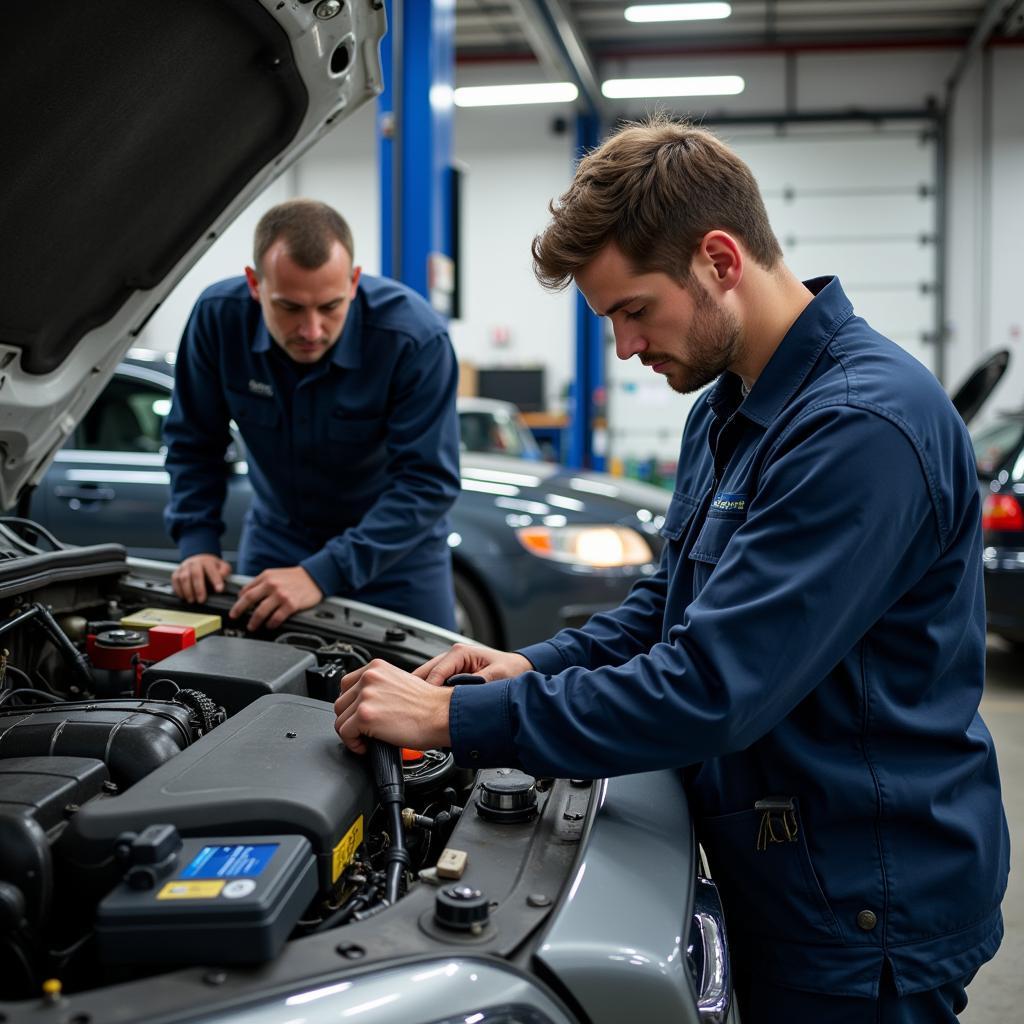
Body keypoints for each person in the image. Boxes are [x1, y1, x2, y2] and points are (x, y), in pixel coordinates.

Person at [333, 116, 1010, 1022]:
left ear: (721, 260)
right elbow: (668, 609)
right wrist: (532, 665)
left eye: (633, 310)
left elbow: (711, 686)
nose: (622, 347)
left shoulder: (860, 429)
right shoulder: (726, 409)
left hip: (861, 905)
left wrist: (459, 717)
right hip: (781, 868)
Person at [163, 199, 461, 631]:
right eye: (289, 307)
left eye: (329, 306)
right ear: (254, 284)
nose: (311, 330)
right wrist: (196, 542)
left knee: (426, 689)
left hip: (396, 558)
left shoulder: (414, 340)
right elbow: (193, 441)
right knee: (249, 686)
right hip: (277, 544)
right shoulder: (217, 320)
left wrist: (322, 572)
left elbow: (427, 482)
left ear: (354, 282)